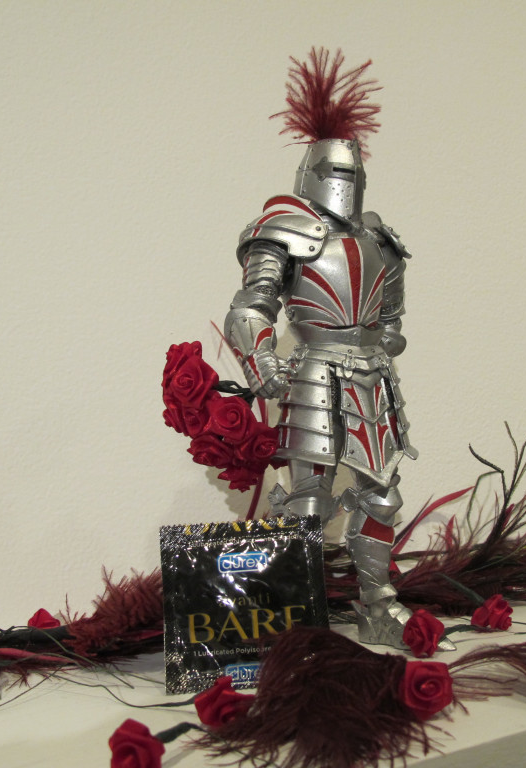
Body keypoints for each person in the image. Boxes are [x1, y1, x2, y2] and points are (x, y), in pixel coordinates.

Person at [224, 49, 419, 647]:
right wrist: (261, 361)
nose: (344, 183)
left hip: (373, 377)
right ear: (310, 172)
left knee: (382, 496)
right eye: (335, 171)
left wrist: (382, 340)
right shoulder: (282, 228)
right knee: (309, 499)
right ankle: (296, 616)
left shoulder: (381, 239)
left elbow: (391, 317)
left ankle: (377, 604)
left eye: (353, 173)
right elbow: (250, 306)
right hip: (312, 372)